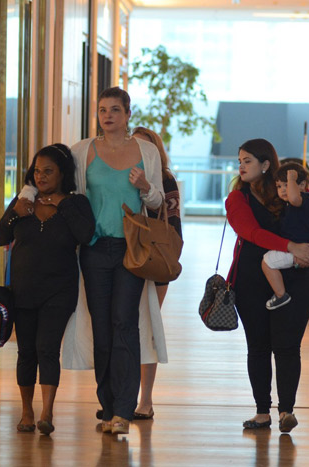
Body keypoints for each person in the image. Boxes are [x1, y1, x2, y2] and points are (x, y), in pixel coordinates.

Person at [70, 87, 164, 435]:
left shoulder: (146, 151)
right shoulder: (83, 151)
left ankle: (125, 409)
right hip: (94, 250)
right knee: (102, 327)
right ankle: (108, 406)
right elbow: (70, 194)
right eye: (102, 110)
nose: (107, 115)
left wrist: (144, 186)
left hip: (131, 249)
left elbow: (156, 203)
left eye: (114, 110)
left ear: (127, 114)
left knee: (125, 323)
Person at [225, 139, 309, 433]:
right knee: (258, 346)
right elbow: (251, 232)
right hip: (251, 280)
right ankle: (262, 411)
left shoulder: (289, 190)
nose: (241, 166)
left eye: (247, 161)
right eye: (240, 161)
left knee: (287, 347)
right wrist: (290, 246)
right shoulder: (237, 198)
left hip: (295, 277)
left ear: (266, 164)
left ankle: (286, 411)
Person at [0, 144, 95, 435]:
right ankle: (26, 412)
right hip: (23, 291)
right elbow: (0, 237)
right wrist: (15, 212)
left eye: (48, 171)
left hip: (59, 292)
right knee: (26, 352)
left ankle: (47, 412)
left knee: (47, 349)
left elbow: (86, 236)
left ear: (62, 173)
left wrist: (61, 203)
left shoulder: (76, 204)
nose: (40, 177)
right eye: (37, 171)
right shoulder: (24, 200)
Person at [130, 126, 182, 419]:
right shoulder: (121, 171)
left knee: (147, 326)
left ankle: (145, 399)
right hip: (125, 256)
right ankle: (128, 395)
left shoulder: (165, 178)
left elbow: (172, 224)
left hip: (154, 258)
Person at [261, 163, 309, 311]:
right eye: (279, 186)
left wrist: (292, 179)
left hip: (295, 249)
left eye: (287, 185)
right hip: (298, 248)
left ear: (302, 185)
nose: (283, 190)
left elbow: (294, 198)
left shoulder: (299, 201)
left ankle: (280, 294)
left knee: (267, 262)